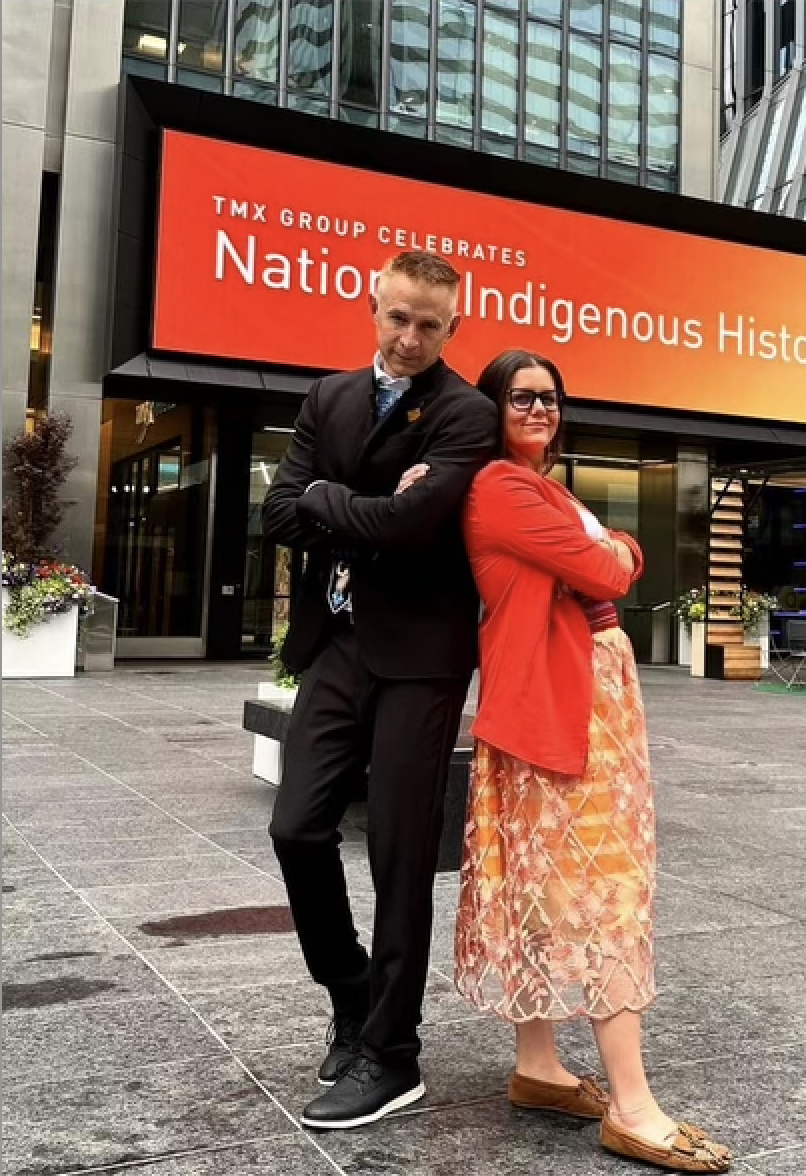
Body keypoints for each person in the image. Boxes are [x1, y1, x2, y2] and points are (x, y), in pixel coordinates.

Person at [445, 350, 732, 1172]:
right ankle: (633, 1108)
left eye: (552, 398)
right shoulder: (502, 487)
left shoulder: (547, 489)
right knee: (605, 888)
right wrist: (611, 553)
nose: (541, 409)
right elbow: (610, 566)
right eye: (521, 397)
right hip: (561, 707)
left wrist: (607, 552)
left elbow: (608, 561)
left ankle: (538, 1065)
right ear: (491, 408)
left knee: (547, 885)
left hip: (580, 698)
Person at [261, 250, 498, 1130]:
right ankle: (351, 994)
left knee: (401, 853)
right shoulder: (328, 397)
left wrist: (329, 496)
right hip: (337, 644)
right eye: (397, 318)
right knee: (296, 827)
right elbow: (278, 513)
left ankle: (393, 1056)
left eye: (429, 325)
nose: (409, 338)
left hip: (421, 657)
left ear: (452, 328)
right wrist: (346, 497)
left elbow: (411, 524)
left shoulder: (467, 413)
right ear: (373, 309)